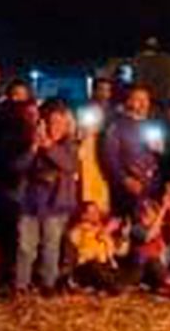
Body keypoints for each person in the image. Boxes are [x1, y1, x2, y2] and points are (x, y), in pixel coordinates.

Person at [15, 102, 79, 296]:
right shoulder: (28, 141)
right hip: (31, 203)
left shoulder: (68, 144)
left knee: (51, 246)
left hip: (55, 203)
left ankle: (48, 283)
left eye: (61, 123)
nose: (56, 127)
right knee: (26, 245)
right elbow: (18, 167)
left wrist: (49, 146)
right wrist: (34, 147)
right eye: (52, 123)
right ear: (43, 123)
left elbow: (69, 165)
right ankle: (22, 284)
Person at [103, 85, 163, 216]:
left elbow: (159, 157)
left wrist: (159, 150)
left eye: (145, 99)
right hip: (128, 188)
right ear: (129, 102)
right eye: (138, 99)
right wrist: (125, 179)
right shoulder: (117, 126)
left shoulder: (153, 124)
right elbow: (110, 158)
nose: (142, 103)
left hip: (151, 186)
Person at [65, 202, 128, 294]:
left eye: (96, 211)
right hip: (87, 267)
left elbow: (119, 252)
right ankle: (111, 286)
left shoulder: (103, 228)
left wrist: (123, 236)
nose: (95, 215)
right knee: (95, 266)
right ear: (83, 215)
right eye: (91, 212)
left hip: (104, 266)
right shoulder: (78, 230)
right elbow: (81, 249)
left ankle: (109, 285)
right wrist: (103, 231)